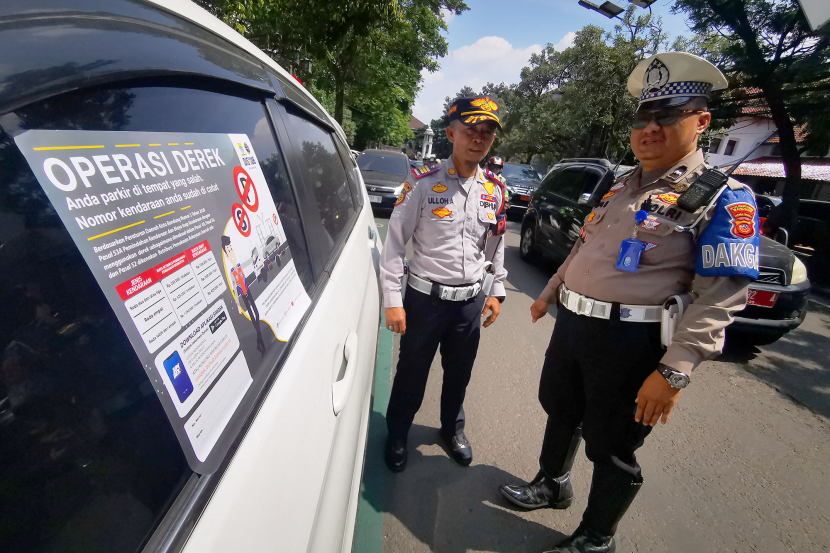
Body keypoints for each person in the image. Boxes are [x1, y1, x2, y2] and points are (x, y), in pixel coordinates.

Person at [499, 52, 760, 552]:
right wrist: (550, 292)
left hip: (631, 342)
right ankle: (551, 484)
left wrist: (675, 370)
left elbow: (721, 297)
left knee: (613, 443)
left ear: (702, 121)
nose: (651, 129)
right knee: (561, 409)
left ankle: (598, 537)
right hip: (574, 325)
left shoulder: (722, 197)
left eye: (668, 116)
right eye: (643, 118)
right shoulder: (620, 184)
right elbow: (584, 245)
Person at [380, 96, 508, 472]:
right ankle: (398, 433)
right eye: (471, 130)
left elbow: (495, 245)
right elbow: (393, 245)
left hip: (469, 303)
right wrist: (392, 299)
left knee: (459, 374)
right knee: (412, 375)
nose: (479, 138)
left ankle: (452, 430)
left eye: (487, 133)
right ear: (451, 132)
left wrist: (496, 291)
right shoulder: (421, 183)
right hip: (425, 301)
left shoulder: (495, 191)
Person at [221, 235, 267, 354]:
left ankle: (259, 341)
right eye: (229, 250)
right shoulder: (232, 274)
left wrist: (253, 258)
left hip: (249, 293)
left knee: (256, 313)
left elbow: (248, 262)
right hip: (244, 297)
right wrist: (237, 305)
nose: (232, 252)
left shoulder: (240, 266)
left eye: (232, 249)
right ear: (226, 255)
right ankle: (260, 343)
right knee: (253, 316)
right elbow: (235, 290)